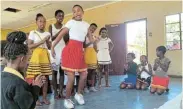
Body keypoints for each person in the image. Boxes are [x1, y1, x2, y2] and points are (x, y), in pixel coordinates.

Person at [51, 5, 95, 109]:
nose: (77, 13)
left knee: (84, 75)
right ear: (73, 14)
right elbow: (60, 35)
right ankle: (67, 99)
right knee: (71, 78)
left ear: (83, 12)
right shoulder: (70, 23)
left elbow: (89, 41)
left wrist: (94, 40)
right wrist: (52, 46)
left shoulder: (86, 25)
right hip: (70, 50)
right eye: (74, 12)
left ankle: (78, 94)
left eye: (78, 10)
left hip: (80, 51)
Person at [1, 31, 45, 109]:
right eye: (28, 59)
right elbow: (29, 105)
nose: (28, 63)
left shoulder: (2, 76)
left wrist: (31, 87)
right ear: (22, 59)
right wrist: (36, 87)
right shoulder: (18, 83)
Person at [26, 13, 52, 105]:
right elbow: (29, 46)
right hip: (36, 57)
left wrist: (48, 41)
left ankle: (45, 98)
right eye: (40, 21)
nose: (42, 23)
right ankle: (36, 99)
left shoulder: (48, 33)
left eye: (44, 21)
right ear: (36, 22)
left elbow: (49, 47)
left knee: (45, 79)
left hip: (45, 57)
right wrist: (41, 41)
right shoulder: (33, 32)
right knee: (37, 78)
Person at [48, 9, 65, 99]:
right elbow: (52, 38)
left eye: (62, 16)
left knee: (62, 72)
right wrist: (61, 31)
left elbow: (66, 39)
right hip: (54, 50)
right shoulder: (51, 26)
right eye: (59, 15)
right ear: (55, 16)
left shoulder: (65, 26)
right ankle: (55, 93)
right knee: (54, 72)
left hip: (63, 51)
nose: (61, 17)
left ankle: (61, 92)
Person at [84, 23, 98, 93]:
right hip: (86, 54)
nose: (93, 30)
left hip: (93, 55)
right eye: (92, 28)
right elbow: (84, 46)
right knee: (86, 72)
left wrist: (95, 43)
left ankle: (92, 86)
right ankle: (85, 87)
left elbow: (95, 48)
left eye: (94, 29)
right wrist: (91, 42)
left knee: (93, 72)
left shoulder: (94, 37)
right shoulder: (84, 36)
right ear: (89, 27)